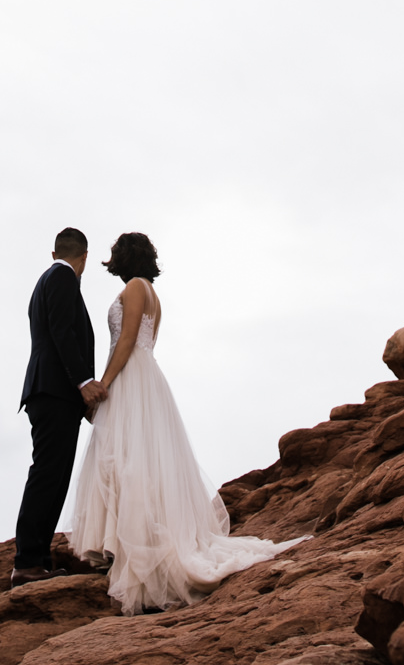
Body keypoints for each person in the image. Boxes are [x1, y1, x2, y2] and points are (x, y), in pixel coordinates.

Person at [69, 230, 301, 615]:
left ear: (125, 257)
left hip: (130, 377)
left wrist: (104, 384)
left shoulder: (134, 290)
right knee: (139, 459)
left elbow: (126, 341)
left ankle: (139, 551)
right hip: (144, 376)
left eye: (114, 253)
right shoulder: (151, 292)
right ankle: (134, 544)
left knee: (128, 459)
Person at [12, 226, 106, 587]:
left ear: (55, 253)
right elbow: (63, 331)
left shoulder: (47, 279)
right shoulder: (63, 278)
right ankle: (28, 561)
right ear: (84, 257)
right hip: (54, 392)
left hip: (48, 392)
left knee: (52, 475)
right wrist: (83, 382)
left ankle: (38, 560)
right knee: (49, 475)